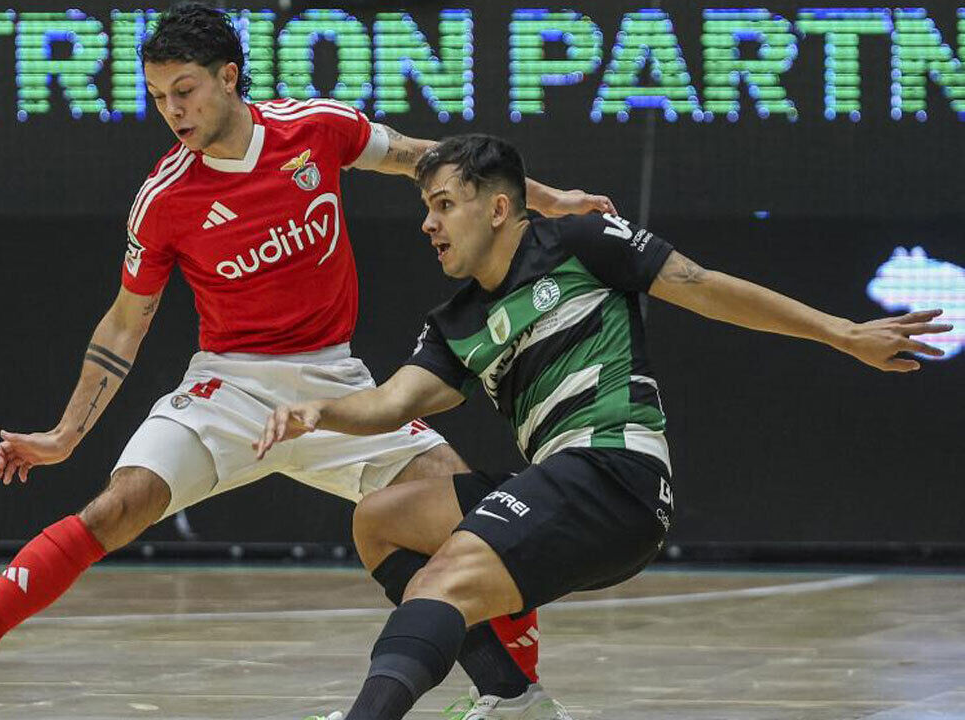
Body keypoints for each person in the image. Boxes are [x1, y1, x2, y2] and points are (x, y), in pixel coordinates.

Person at [0, 5, 614, 712]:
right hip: (227, 387)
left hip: (333, 383)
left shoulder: (315, 128)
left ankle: (515, 700)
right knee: (115, 508)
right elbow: (126, 322)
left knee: (474, 519)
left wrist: (548, 201)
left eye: (184, 89)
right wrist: (65, 435)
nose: (172, 110)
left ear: (229, 77)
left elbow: (433, 162)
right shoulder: (164, 198)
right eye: (158, 96)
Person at [254, 133, 952, 720]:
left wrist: (841, 332)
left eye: (443, 205)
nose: (428, 225)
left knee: (444, 582)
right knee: (379, 521)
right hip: (562, 485)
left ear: (497, 207)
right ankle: (513, 698)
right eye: (425, 209)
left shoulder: (580, 242)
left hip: (616, 473)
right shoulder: (456, 323)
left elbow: (705, 287)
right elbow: (391, 403)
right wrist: (322, 411)